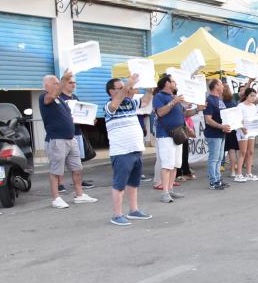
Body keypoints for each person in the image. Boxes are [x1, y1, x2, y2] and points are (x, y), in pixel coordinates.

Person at [40, 71, 97, 209]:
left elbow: (73, 116)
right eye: (55, 83)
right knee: (56, 170)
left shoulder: (61, 100)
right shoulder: (45, 97)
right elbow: (52, 96)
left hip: (71, 139)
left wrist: (88, 119)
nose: (58, 85)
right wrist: (64, 79)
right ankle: (56, 198)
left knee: (77, 168)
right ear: (46, 85)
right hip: (56, 140)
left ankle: (79, 194)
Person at [104, 74, 153, 226]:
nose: (125, 90)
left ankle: (133, 210)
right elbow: (114, 104)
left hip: (135, 148)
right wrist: (127, 86)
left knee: (134, 182)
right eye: (119, 88)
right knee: (120, 184)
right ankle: (117, 214)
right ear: (111, 91)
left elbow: (144, 101)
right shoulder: (109, 105)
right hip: (121, 151)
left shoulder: (131, 102)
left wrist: (150, 90)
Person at [153, 73, 203, 203]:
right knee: (167, 165)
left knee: (175, 164)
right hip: (165, 135)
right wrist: (173, 102)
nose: (176, 84)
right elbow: (160, 112)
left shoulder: (175, 97)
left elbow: (185, 113)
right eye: (173, 81)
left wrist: (197, 110)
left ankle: (170, 190)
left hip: (178, 134)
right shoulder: (159, 96)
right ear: (167, 84)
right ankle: (164, 193)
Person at [56, 75, 94, 193]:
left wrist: (89, 119)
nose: (73, 84)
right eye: (70, 82)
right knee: (60, 160)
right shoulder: (58, 97)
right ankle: (59, 184)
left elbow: (81, 113)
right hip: (63, 134)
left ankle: (78, 182)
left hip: (76, 132)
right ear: (63, 83)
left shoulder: (75, 97)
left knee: (77, 160)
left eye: (74, 82)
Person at [203, 78, 232, 190]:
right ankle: (213, 181)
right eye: (221, 84)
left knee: (219, 158)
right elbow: (208, 120)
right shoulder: (210, 100)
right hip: (213, 134)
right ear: (215, 86)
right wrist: (221, 126)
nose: (223, 86)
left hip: (221, 133)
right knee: (214, 158)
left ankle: (218, 179)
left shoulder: (219, 100)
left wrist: (228, 125)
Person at [234, 85, 258, 182]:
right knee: (243, 152)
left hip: (251, 131)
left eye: (254, 96)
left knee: (250, 152)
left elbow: (255, 119)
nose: (253, 98)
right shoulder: (240, 106)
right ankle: (239, 174)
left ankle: (249, 173)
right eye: (251, 96)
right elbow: (237, 119)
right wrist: (242, 127)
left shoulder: (254, 106)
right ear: (246, 96)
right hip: (242, 131)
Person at [222, 85, 240, 178]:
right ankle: (234, 171)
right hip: (233, 128)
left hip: (224, 128)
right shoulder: (233, 102)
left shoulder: (221, 103)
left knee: (226, 151)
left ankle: (218, 171)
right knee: (233, 151)